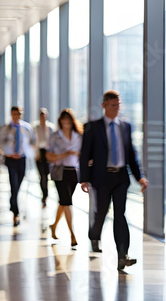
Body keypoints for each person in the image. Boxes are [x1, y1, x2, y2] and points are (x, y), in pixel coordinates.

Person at [80, 90, 148, 271]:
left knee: (120, 214)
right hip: (101, 178)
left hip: (120, 177)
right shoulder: (92, 127)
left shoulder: (125, 126)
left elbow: (131, 155)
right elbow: (85, 153)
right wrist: (84, 179)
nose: (116, 108)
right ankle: (94, 235)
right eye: (113, 105)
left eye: (118, 105)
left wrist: (139, 176)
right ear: (104, 106)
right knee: (101, 212)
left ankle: (122, 256)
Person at [45, 109, 83, 247]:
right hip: (59, 172)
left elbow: (82, 154)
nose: (66, 123)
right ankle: (72, 235)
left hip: (73, 171)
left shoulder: (78, 136)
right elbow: (48, 156)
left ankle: (54, 226)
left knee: (64, 201)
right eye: (63, 120)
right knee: (67, 202)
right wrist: (65, 154)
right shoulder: (55, 136)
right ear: (60, 121)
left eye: (68, 120)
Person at [0, 106, 35, 226]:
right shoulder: (5, 128)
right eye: (14, 114)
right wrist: (8, 154)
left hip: (22, 159)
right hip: (10, 159)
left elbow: (32, 142)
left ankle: (13, 200)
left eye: (18, 114)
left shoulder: (26, 128)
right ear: (11, 115)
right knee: (13, 183)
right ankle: (16, 213)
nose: (16, 116)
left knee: (18, 184)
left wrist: (27, 152)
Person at [33, 108, 56, 208]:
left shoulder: (51, 128)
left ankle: (47, 193)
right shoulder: (36, 128)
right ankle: (44, 195)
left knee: (48, 174)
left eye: (44, 115)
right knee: (42, 175)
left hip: (49, 153)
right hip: (39, 153)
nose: (43, 117)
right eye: (41, 115)